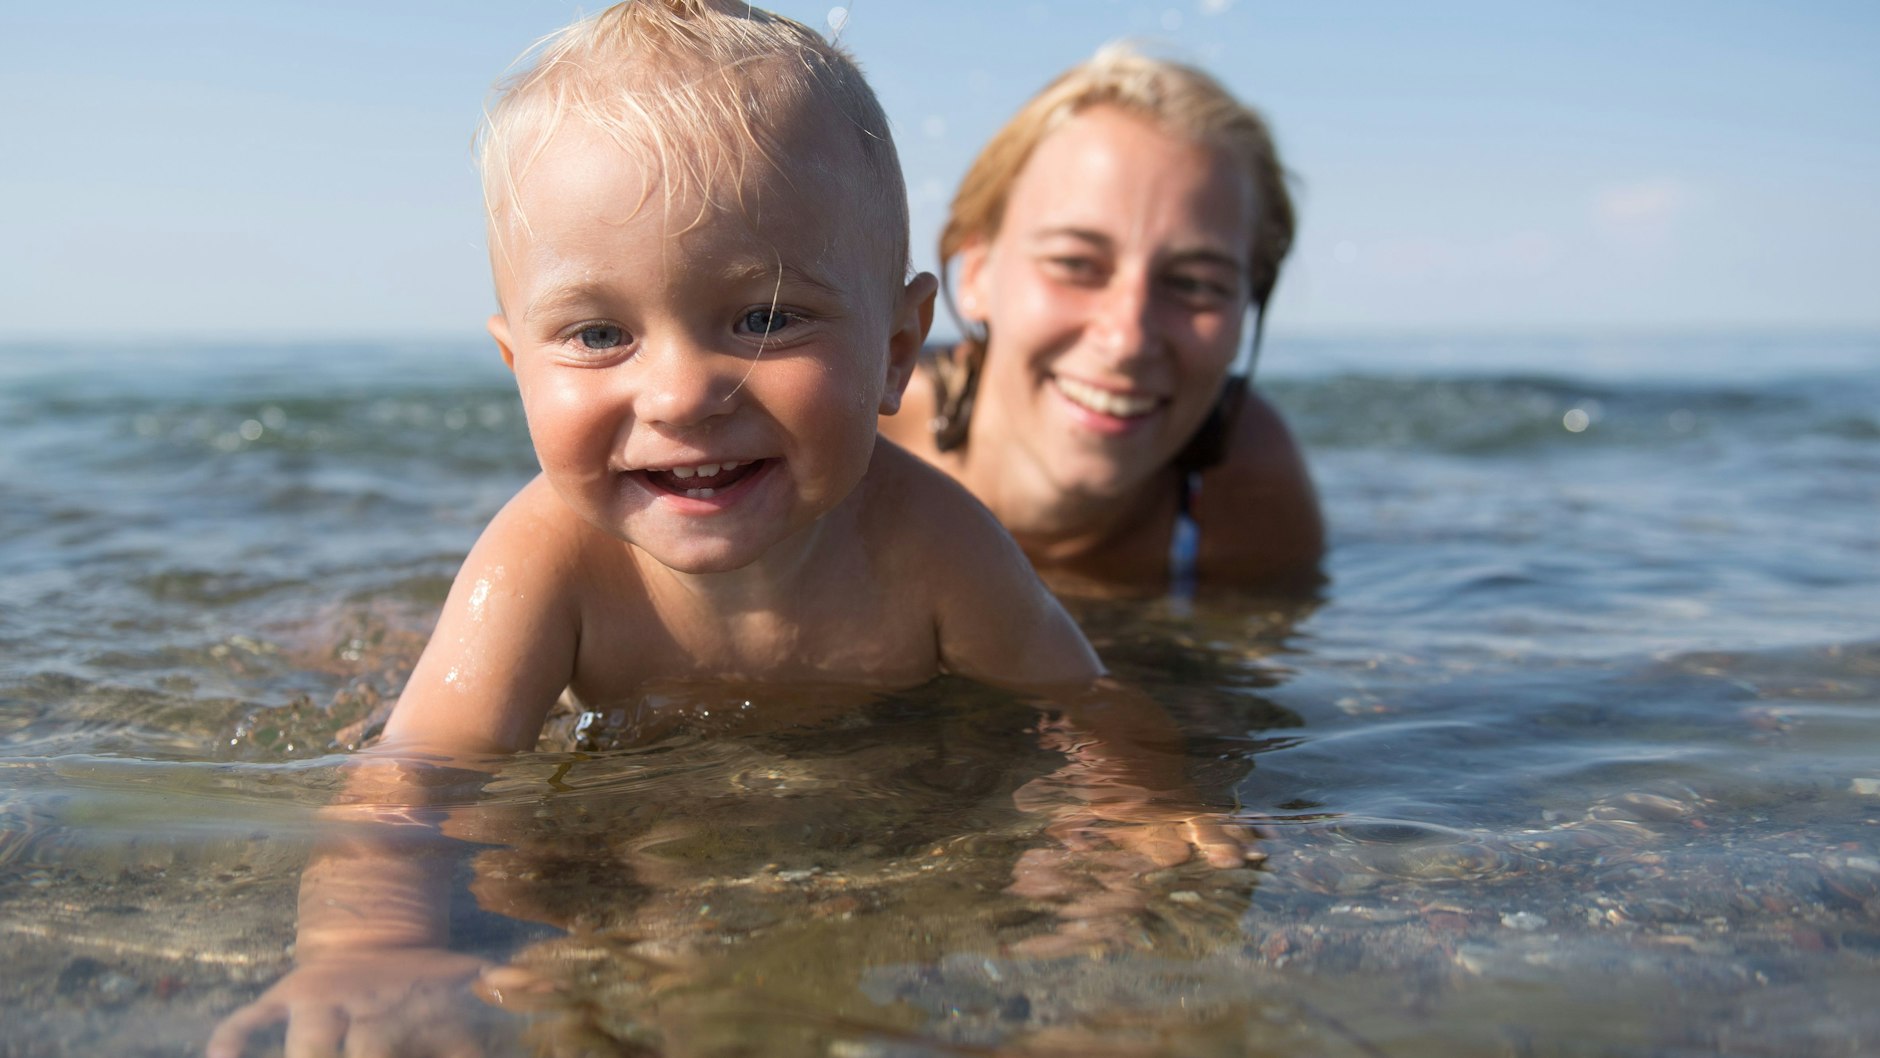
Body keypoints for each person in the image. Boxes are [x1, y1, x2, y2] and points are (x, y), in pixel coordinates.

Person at [209, 5, 1251, 1055]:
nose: (679, 391)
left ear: (896, 348)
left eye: (762, 317)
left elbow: (1081, 699)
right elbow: (411, 776)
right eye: (597, 332)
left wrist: (1136, 803)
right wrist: (367, 945)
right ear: (516, 363)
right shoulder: (548, 561)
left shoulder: (932, 543)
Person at [880, 46, 1325, 597]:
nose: (1127, 340)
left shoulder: (1244, 490)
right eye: (1074, 264)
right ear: (974, 275)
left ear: (1245, 312)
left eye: (1195, 284)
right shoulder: (859, 450)